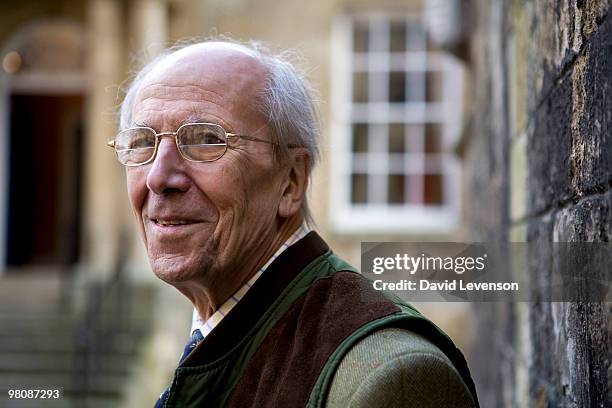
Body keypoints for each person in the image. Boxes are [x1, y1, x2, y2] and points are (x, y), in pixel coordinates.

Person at [109, 39, 479, 408]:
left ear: (291, 182)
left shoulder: (389, 379)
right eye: (142, 142)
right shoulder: (218, 337)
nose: (159, 177)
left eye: (207, 139)